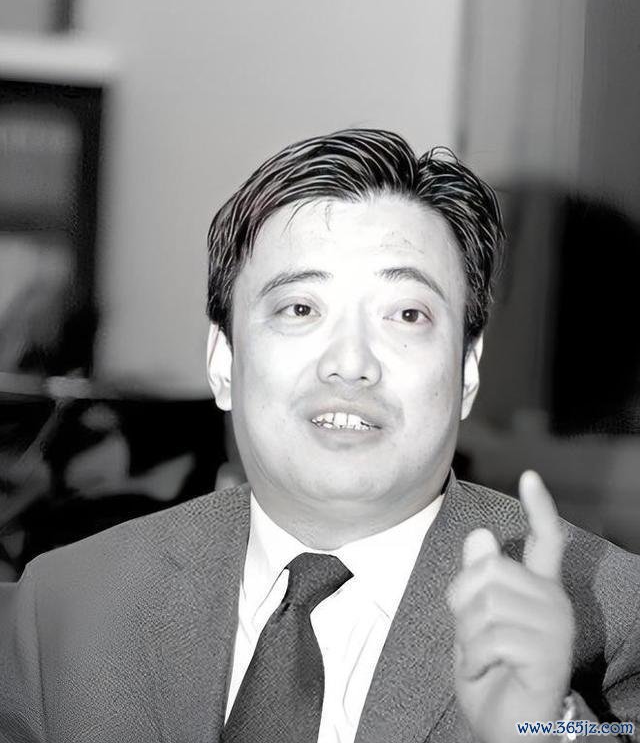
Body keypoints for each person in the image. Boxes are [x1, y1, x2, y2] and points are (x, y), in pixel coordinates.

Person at [1, 129, 639, 743]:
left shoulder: (616, 620)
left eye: (407, 314)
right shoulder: (66, 606)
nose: (350, 362)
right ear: (223, 362)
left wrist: (549, 729)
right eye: (300, 309)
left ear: (467, 372)